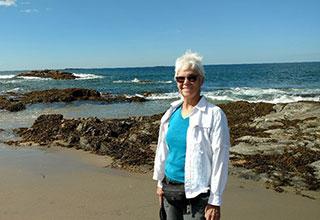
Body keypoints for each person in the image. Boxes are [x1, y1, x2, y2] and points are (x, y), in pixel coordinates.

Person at [153, 51, 230, 220]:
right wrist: (160, 183)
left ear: (201, 80)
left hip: (198, 194)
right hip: (170, 191)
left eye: (192, 77)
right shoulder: (170, 113)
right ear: (176, 82)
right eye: (181, 78)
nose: (186, 82)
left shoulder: (214, 115)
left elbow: (221, 159)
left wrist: (215, 201)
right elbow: (163, 150)